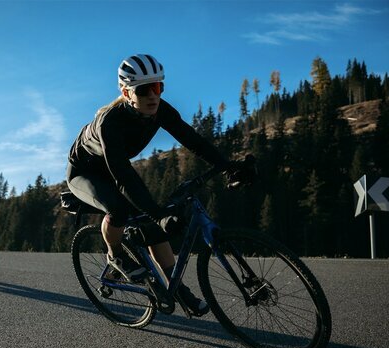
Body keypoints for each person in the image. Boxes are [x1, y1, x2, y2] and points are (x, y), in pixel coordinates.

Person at [66, 54, 252, 316]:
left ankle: (178, 290)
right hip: (85, 172)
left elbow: (194, 142)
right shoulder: (110, 122)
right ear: (126, 92)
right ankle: (115, 255)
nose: (153, 95)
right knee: (119, 209)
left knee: (152, 226)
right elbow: (123, 177)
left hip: (114, 167)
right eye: (144, 90)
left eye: (158, 87)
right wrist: (159, 215)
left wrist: (228, 167)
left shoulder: (161, 110)